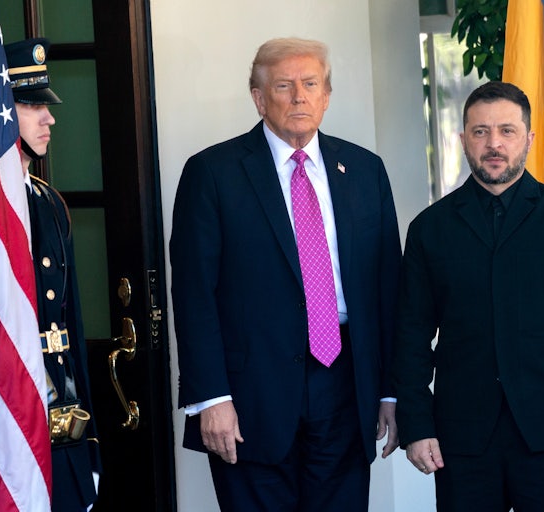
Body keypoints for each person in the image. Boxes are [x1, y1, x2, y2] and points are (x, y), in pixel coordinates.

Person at [169, 37, 401, 511]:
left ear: (327, 94)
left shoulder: (364, 170)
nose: (299, 96)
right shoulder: (212, 173)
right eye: (284, 85)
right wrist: (210, 396)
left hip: (345, 386)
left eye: (311, 84)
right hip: (250, 397)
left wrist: (392, 393)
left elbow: (388, 290)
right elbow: (194, 294)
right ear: (258, 97)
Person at [392, 81, 544, 511]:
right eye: (480, 132)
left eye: (507, 131)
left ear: (529, 139)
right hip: (461, 442)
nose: (493, 144)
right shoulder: (429, 229)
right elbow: (411, 336)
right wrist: (416, 424)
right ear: (462, 140)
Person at [6, 38, 101, 511]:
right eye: (30, 104)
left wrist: (89, 445)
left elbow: (71, 330)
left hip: (58, 425)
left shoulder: (49, 202)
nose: (50, 118)